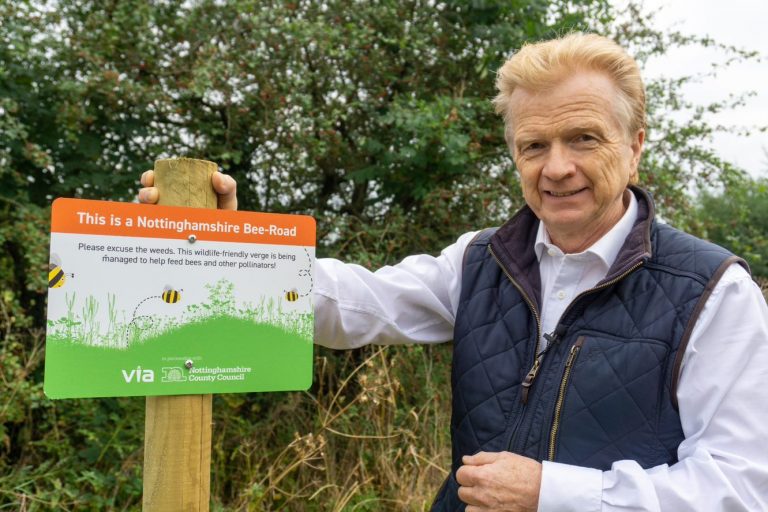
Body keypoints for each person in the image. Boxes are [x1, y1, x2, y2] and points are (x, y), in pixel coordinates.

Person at [139, 33, 768, 511]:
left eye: (583, 138)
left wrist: (550, 492)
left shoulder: (713, 292)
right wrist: (234, 251)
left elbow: (740, 488)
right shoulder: (482, 259)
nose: (556, 168)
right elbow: (358, 304)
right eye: (534, 145)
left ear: (634, 147)